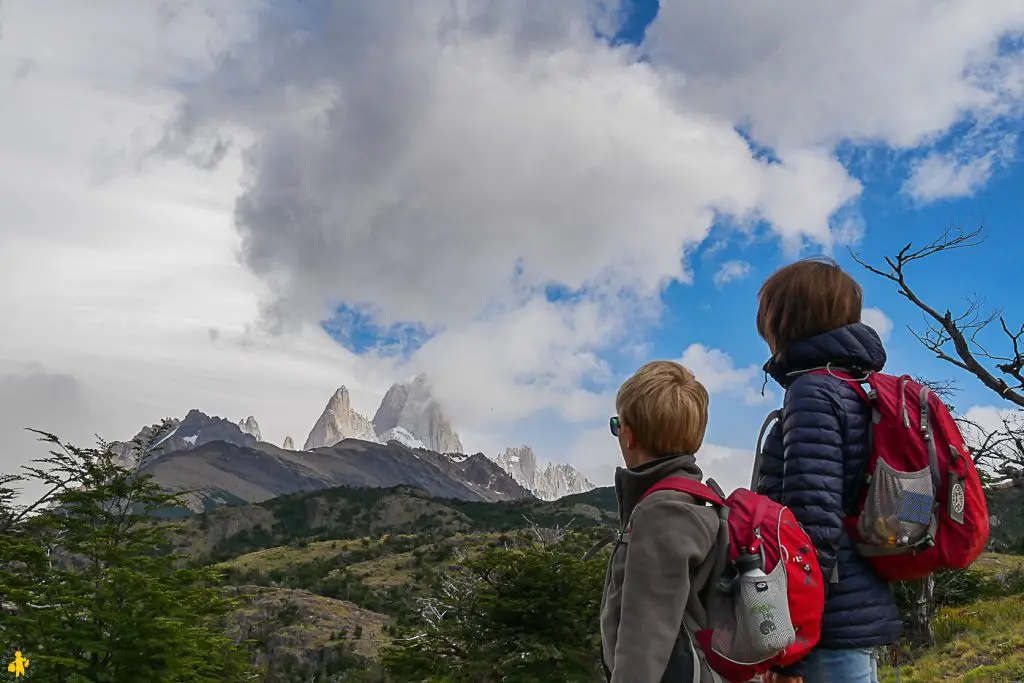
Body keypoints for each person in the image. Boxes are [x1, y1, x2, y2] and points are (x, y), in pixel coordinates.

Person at [754, 258, 902, 683]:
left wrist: (790, 654)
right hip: (859, 608)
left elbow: (809, 532)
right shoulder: (858, 385)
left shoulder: (812, 391)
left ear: (786, 319)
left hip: (828, 628)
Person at [600, 360, 721, 683]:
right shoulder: (695, 501)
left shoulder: (661, 514)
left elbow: (644, 640)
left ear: (628, 436)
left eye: (617, 424)